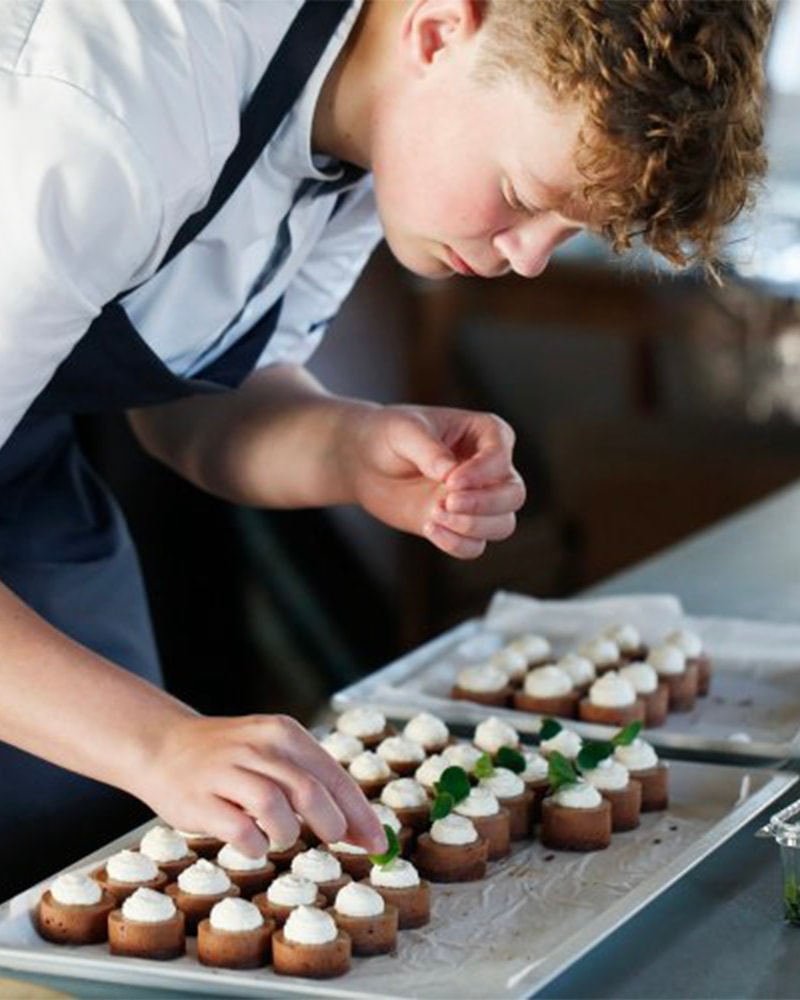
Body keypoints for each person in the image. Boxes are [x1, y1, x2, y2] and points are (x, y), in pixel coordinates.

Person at [0, 0, 772, 901]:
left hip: (27, 467)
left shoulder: (375, 121)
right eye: (523, 197)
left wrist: (351, 447)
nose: (527, 259)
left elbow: (186, 408)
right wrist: (155, 741)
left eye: (566, 232)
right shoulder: (105, 110)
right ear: (442, 30)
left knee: (77, 852)